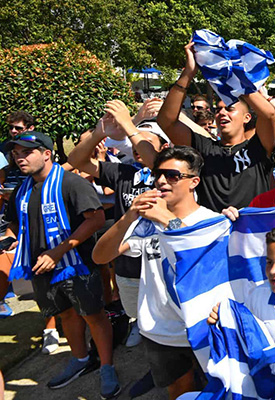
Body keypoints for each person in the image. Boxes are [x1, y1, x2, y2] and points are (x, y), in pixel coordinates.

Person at [93, 146, 219, 400]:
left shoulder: (213, 223)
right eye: (158, 174)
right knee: (180, 392)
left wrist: (167, 220)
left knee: (218, 390)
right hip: (160, 331)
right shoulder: (143, 223)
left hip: (204, 328)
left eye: (172, 175)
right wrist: (128, 217)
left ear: (194, 182)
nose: (161, 181)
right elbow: (100, 257)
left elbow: (201, 266)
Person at [0, 131, 118, 397]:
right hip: (40, 267)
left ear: (46, 154)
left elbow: (96, 219)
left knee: (93, 315)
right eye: (16, 154)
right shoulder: (22, 190)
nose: (20, 159)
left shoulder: (71, 183)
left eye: (26, 152)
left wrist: (58, 251)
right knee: (65, 315)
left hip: (76, 264)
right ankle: (79, 359)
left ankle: (107, 366)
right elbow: (15, 223)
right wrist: (12, 240)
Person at [157, 41, 275, 212]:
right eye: (218, 109)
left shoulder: (258, 147)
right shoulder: (203, 148)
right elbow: (166, 121)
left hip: (253, 231)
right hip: (214, 232)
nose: (222, 113)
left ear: (247, 117)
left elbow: (269, 114)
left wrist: (236, 81)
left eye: (229, 108)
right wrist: (188, 73)